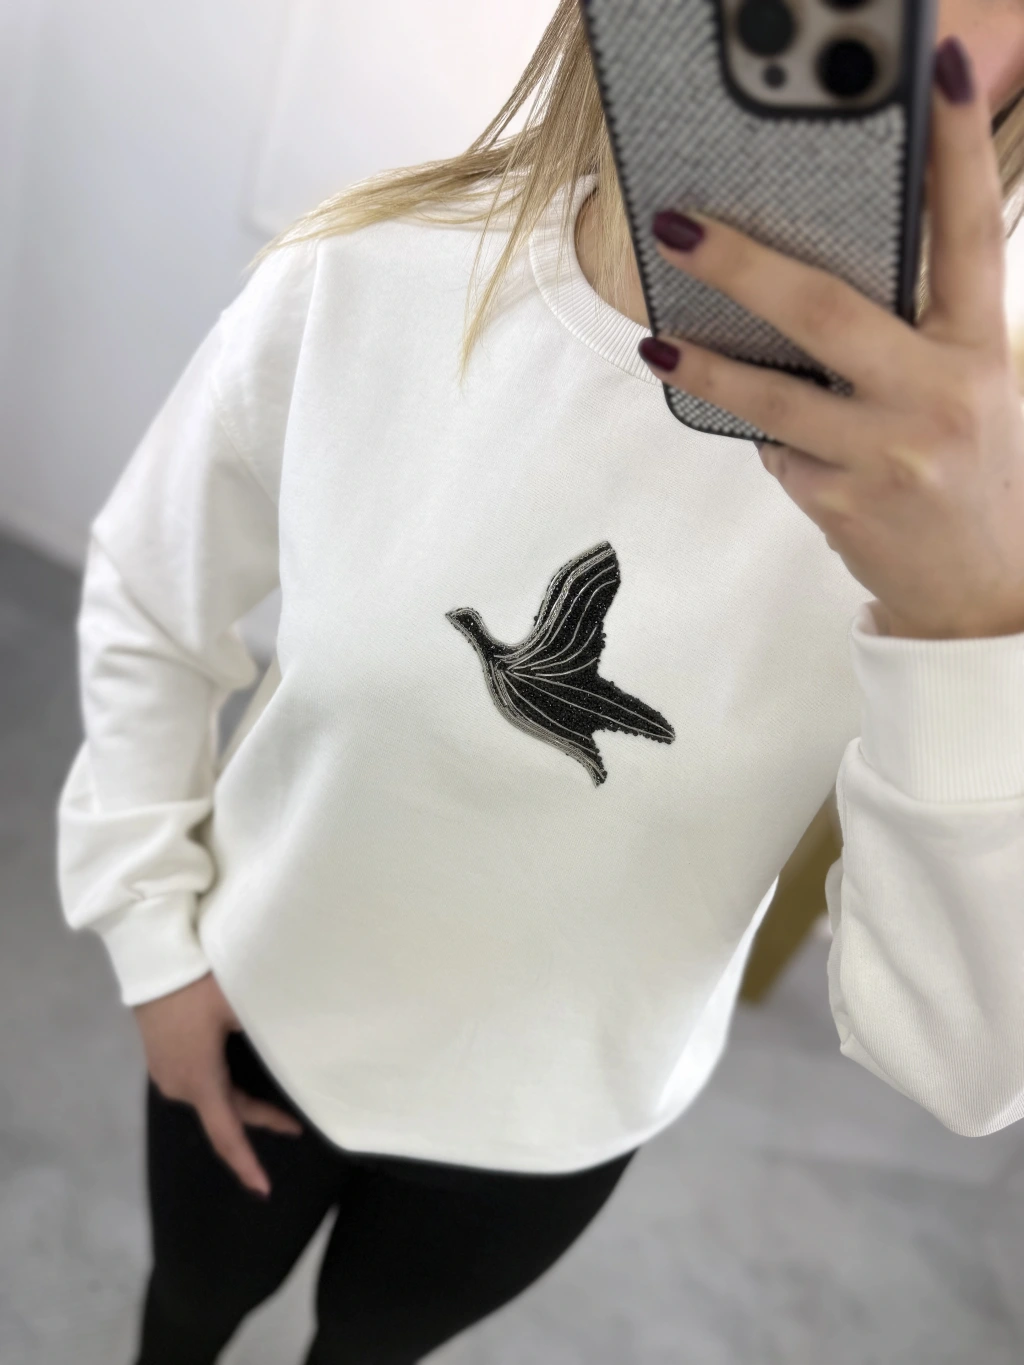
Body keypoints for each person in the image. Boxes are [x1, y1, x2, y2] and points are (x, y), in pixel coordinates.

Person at [55, 1, 1024, 1361]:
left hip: (545, 1129)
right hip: (257, 1009)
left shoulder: (991, 519)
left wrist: (971, 621)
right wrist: (149, 937)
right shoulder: (369, 275)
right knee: (187, 1314)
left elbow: (968, 1068)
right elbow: (151, 598)